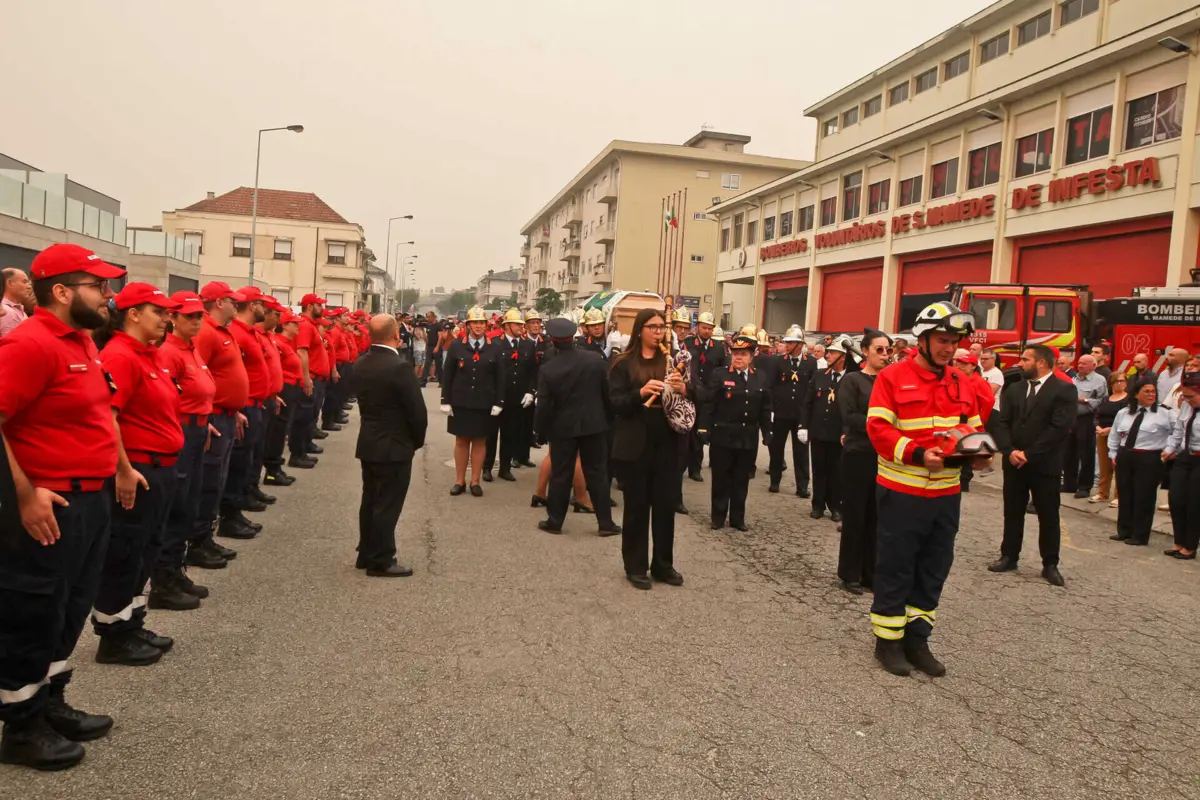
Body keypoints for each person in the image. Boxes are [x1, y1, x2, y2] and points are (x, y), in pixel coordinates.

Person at [0, 243, 124, 770]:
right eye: (99, 286)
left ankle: (50, 701)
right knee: (33, 611)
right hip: (50, 504)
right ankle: (22, 727)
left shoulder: (82, 341)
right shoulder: (29, 344)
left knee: (69, 609)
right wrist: (24, 494)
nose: (109, 296)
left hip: (89, 499)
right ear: (62, 291)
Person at [866, 301, 988, 677]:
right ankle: (887, 643)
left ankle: (917, 640)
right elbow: (878, 430)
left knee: (934, 570)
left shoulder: (961, 381)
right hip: (902, 493)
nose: (949, 348)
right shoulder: (891, 378)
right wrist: (919, 454)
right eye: (942, 340)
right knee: (896, 568)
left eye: (954, 342)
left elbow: (975, 430)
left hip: (946, 496)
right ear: (923, 339)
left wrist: (981, 453)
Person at [90, 284, 185, 666]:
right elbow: (107, 418)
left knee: (145, 551)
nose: (166, 319)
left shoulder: (149, 355)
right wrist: (123, 470)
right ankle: (113, 636)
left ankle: (132, 622)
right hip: (139, 470)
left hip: (160, 468)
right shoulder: (120, 356)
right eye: (158, 311)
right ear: (132, 314)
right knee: (124, 554)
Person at [610, 308, 687, 590]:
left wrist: (683, 388)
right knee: (637, 508)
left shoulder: (672, 361)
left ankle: (663, 564)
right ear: (640, 329)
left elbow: (699, 394)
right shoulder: (623, 363)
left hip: (667, 442)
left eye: (662, 327)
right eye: (653, 327)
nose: (659, 332)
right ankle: (636, 565)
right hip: (634, 443)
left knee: (665, 506)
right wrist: (640, 393)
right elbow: (614, 403)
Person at [989, 343, 1077, 586]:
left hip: (1044, 464)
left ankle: (1050, 563)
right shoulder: (1014, 389)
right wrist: (1009, 451)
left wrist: (1030, 453)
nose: (1020, 363)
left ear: (1041, 362)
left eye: (1026, 359)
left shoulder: (1064, 390)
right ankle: (1009, 555)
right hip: (1014, 462)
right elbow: (1002, 423)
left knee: (1048, 515)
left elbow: (1059, 428)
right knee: (1012, 511)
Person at [153, 291, 220, 602]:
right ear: (173, 319)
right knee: (176, 505)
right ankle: (163, 580)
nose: (195, 321)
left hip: (195, 430)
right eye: (188, 316)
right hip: (179, 432)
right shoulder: (168, 352)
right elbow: (168, 400)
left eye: (198, 316)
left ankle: (176, 571)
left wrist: (204, 422)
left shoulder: (191, 349)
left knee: (189, 504)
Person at [353, 315, 427, 577]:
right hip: (394, 445)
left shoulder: (361, 362)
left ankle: (366, 551)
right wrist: (415, 441)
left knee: (371, 499)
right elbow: (417, 412)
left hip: (370, 441)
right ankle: (381, 559)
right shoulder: (399, 367)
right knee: (387, 503)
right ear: (396, 334)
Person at [533, 317, 620, 535]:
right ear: (573, 336)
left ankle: (554, 521)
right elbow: (607, 394)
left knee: (561, 474)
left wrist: (540, 431)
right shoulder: (594, 360)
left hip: (562, 428)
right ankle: (605, 524)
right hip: (594, 424)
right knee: (598, 474)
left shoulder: (549, 369)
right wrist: (609, 420)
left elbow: (544, 405)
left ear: (552, 339)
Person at [194, 282, 253, 554]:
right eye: (232, 300)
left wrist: (235, 408)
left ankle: (207, 535)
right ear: (219, 303)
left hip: (227, 415)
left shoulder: (223, 331)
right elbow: (196, 377)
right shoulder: (206, 332)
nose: (236, 305)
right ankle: (198, 542)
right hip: (214, 419)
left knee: (219, 479)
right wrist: (206, 417)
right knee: (208, 482)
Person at [698, 333, 772, 531]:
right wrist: (703, 427)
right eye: (736, 353)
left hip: (747, 437)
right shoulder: (720, 375)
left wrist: (767, 432)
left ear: (752, 356)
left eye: (743, 354)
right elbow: (709, 404)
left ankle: (738, 518)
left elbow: (765, 407)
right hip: (723, 435)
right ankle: (718, 517)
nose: (738, 357)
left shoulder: (760, 377)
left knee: (742, 479)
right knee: (721, 478)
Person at [837, 329, 891, 594]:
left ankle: (871, 572)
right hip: (859, 454)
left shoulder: (890, 382)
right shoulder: (853, 381)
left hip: (885, 457)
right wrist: (880, 425)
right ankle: (850, 573)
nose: (884, 354)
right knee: (856, 515)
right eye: (879, 349)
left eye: (888, 350)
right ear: (866, 351)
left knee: (877, 518)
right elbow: (849, 416)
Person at [219, 286, 272, 540]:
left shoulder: (248, 332)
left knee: (247, 459)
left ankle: (237, 509)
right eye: (262, 303)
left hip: (253, 404)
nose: (266, 309)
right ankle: (229, 515)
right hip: (243, 407)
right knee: (238, 463)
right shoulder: (236, 333)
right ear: (253, 306)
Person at [441, 306, 504, 496]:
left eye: (481, 322)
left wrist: (499, 402)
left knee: (479, 442)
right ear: (468, 325)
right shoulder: (457, 346)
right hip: (461, 401)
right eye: (474, 323)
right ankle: (460, 480)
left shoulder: (494, 347)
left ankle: (475, 481)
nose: (478, 326)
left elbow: (501, 377)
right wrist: (446, 399)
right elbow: (448, 374)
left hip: (484, 402)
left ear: (486, 325)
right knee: (461, 441)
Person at [1108, 378, 1171, 546]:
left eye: (1153, 391)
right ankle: (1124, 530)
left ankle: (1140, 534)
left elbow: (1176, 433)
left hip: (1149, 457)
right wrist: (1113, 453)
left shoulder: (1164, 414)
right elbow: (1115, 434)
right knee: (1125, 492)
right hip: (1126, 455)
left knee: (1144, 496)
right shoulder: (1125, 413)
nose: (1151, 395)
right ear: (1136, 394)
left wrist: (1169, 450)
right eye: (1146, 391)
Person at [802, 335, 853, 521]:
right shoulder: (819, 375)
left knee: (837, 471)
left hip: (839, 433)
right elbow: (808, 403)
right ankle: (818, 504)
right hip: (818, 431)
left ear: (843, 356)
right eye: (829, 352)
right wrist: (803, 426)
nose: (828, 356)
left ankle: (836, 506)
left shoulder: (850, 379)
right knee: (819, 469)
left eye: (833, 353)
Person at [484, 308, 535, 482]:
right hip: (496, 396)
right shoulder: (494, 343)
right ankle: (487, 467)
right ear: (507, 326)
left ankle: (504, 468)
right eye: (517, 324)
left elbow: (532, 371)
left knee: (510, 434)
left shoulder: (528, 344)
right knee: (491, 434)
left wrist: (530, 391)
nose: (521, 327)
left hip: (516, 397)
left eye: (521, 324)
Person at [767, 325, 815, 497]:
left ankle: (802, 486)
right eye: (786, 342)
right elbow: (771, 386)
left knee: (801, 451)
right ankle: (774, 480)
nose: (786, 345)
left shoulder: (811, 362)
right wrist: (771, 408)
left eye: (791, 342)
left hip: (800, 414)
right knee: (776, 448)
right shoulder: (778, 361)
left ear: (800, 344)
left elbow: (812, 390)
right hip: (781, 412)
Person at [683, 311, 727, 481]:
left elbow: (723, 370)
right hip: (690, 393)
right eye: (704, 327)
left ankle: (696, 468)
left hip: (708, 395)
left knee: (701, 432)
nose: (707, 331)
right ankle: (683, 463)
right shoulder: (688, 343)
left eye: (710, 328)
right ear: (697, 327)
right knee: (687, 430)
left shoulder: (718, 347)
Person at [289, 294, 329, 470]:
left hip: (316, 378)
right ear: (310, 306)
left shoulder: (311, 326)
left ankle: (304, 448)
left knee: (309, 416)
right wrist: (306, 378)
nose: (322, 308)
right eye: (319, 305)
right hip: (310, 378)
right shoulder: (305, 326)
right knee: (302, 418)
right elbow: (302, 352)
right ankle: (297, 454)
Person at [261, 308, 300, 488]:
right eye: (294, 323)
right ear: (285, 325)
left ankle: (276, 467)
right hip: (283, 389)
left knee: (281, 429)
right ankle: (272, 471)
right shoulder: (278, 342)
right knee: (276, 432)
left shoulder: (283, 342)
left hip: (286, 389)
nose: (298, 327)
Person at [1164, 373, 1200, 560]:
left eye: (1190, 397)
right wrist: (1169, 449)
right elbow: (1178, 430)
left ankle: (1190, 546)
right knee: (1176, 499)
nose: (1186, 400)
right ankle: (1179, 542)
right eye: (1184, 396)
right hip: (1184, 456)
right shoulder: (1186, 406)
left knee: (1194, 503)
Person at [1062, 355, 1106, 499]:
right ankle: (1070, 483)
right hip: (1071, 418)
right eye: (1079, 363)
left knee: (1086, 453)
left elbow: (1102, 401)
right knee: (1069, 452)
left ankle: (1084, 487)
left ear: (1093, 366)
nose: (1080, 366)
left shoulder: (1099, 380)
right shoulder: (1073, 379)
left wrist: (1085, 400)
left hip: (1087, 419)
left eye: (1084, 364)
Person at [951, 350, 994, 492]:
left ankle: (964, 483)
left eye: (964, 363)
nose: (960, 365)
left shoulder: (978, 382)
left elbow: (987, 403)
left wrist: (978, 424)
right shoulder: (958, 379)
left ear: (973, 367)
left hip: (970, 426)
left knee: (967, 455)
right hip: (959, 425)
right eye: (958, 362)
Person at [1091, 372, 1127, 507]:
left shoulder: (1127, 400)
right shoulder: (1106, 399)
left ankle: (1119, 495)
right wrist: (1098, 427)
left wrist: (1110, 429)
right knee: (1104, 465)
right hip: (1102, 434)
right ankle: (1102, 492)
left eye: (1123, 381)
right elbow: (1097, 415)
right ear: (1111, 384)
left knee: (1118, 465)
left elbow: (1126, 419)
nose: (1120, 384)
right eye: (1117, 381)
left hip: (1119, 435)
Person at [0, 267, 34, 337]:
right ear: (10, 283)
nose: (29, 287)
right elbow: (8, 345)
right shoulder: (7, 311)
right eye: (24, 282)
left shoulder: (18, 309)